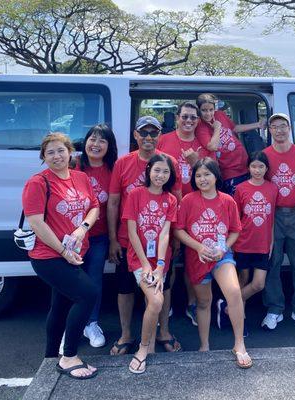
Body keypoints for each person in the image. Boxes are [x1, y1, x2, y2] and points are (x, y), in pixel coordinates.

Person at [22, 133, 100, 379]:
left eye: (61, 150)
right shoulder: (38, 182)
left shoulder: (81, 177)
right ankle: (69, 356)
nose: (57, 156)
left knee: (61, 303)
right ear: (43, 157)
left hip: (76, 253)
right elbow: (36, 223)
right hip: (48, 255)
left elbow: (94, 206)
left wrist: (82, 228)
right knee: (88, 294)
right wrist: (64, 251)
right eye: (50, 153)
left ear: (70, 152)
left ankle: (49, 359)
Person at [108, 116, 182, 355]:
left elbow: (177, 199)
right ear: (135, 135)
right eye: (144, 132)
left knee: (165, 287)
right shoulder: (123, 163)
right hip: (128, 240)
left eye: (154, 133)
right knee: (125, 288)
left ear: (160, 135)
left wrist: (177, 237)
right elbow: (114, 202)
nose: (149, 137)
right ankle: (126, 334)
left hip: (161, 241)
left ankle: (164, 331)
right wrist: (112, 239)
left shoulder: (169, 161)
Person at [174, 158, 252, 368]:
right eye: (198, 175)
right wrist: (199, 247)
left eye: (207, 174)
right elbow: (179, 230)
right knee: (203, 302)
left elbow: (236, 230)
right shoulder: (188, 200)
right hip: (197, 257)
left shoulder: (227, 200)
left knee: (234, 292)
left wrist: (224, 248)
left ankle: (239, 344)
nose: (202, 179)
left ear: (216, 176)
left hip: (221, 256)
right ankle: (204, 344)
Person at [157, 101, 214, 326]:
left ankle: (192, 303)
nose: (189, 121)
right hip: (168, 206)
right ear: (177, 117)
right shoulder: (164, 140)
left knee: (193, 259)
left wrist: (195, 162)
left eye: (193, 118)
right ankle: (165, 302)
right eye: (185, 117)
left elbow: (212, 173)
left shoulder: (203, 142)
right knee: (169, 255)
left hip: (197, 207)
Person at [261, 113, 295, 331]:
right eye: (274, 127)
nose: (279, 130)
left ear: (289, 128)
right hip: (273, 216)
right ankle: (275, 308)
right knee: (272, 264)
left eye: (283, 126)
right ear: (270, 130)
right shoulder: (264, 156)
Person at [123, 154, 178, 374]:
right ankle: (143, 348)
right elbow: (132, 231)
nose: (160, 175)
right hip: (139, 259)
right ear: (148, 171)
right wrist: (146, 264)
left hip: (159, 262)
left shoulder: (171, 200)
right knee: (156, 301)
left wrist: (160, 265)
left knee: (153, 302)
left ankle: (151, 346)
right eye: (157, 170)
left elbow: (165, 234)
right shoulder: (136, 194)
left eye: (165, 172)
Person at [217, 151, 278, 332]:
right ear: (248, 168)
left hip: (263, 244)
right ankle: (240, 319)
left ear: (266, 169)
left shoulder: (272, 188)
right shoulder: (241, 189)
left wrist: (271, 242)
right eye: (254, 166)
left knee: (258, 283)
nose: (257, 170)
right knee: (242, 279)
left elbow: (272, 218)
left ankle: (227, 304)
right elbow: (235, 219)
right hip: (244, 242)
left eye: (261, 167)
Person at [76, 124, 118, 348]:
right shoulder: (74, 166)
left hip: (99, 236)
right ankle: (71, 325)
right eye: (93, 139)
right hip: (72, 237)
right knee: (71, 280)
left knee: (94, 281)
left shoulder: (113, 169)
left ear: (109, 146)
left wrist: (113, 239)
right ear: (85, 142)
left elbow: (113, 205)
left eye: (102, 140)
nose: (96, 144)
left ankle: (91, 323)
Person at [195, 93, 266, 196]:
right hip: (230, 171)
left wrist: (257, 125)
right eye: (204, 110)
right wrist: (217, 128)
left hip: (244, 164)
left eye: (211, 110)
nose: (208, 114)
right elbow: (212, 146)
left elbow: (234, 128)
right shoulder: (201, 127)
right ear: (198, 110)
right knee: (236, 199)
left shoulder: (220, 115)